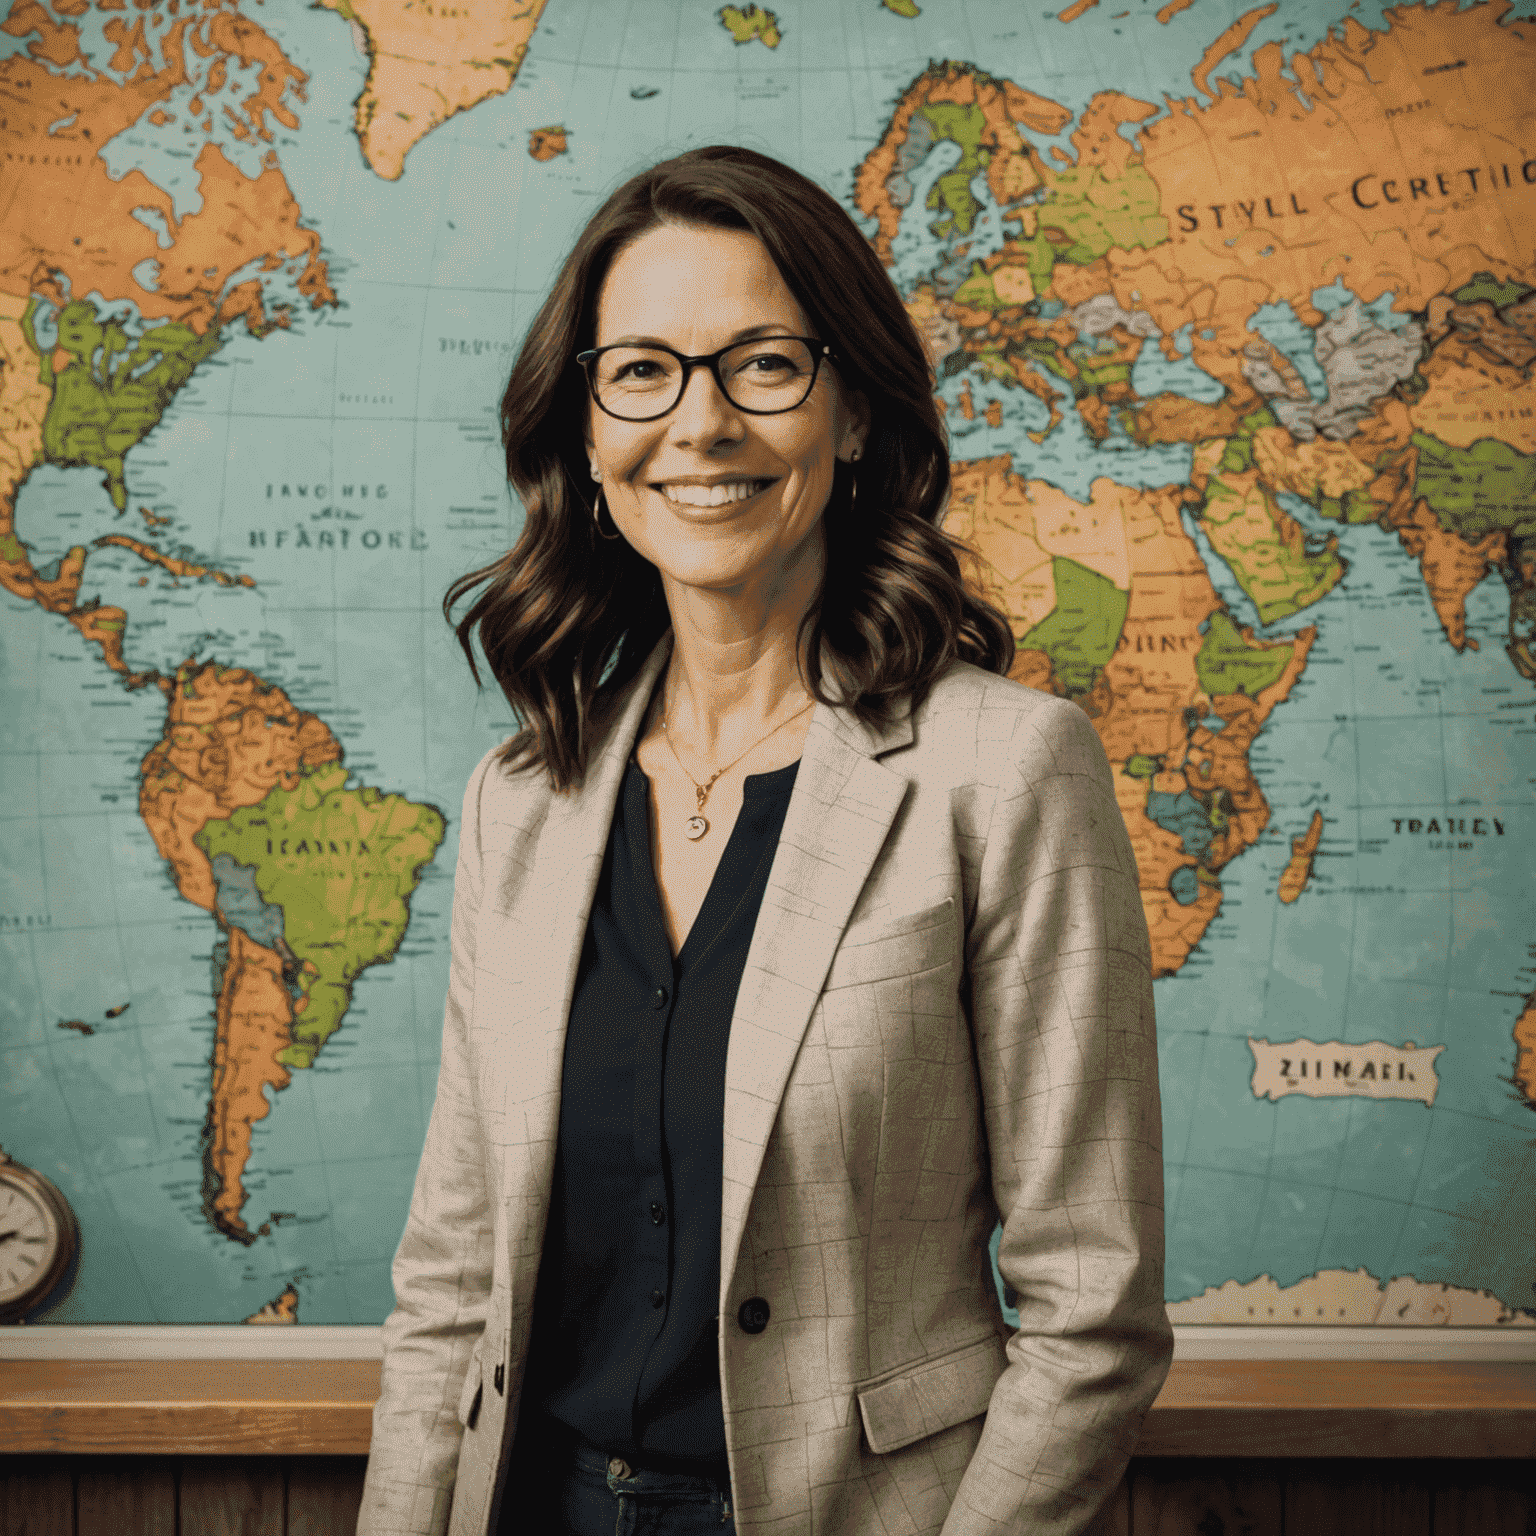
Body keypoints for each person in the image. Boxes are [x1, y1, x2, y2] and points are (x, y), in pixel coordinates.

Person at [357, 144, 1171, 1536]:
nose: (702, 422)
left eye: (764, 366)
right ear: (589, 435)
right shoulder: (524, 798)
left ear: (852, 414)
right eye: (643, 371)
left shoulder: (1005, 770)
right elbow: (450, 1286)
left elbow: (1093, 1311)